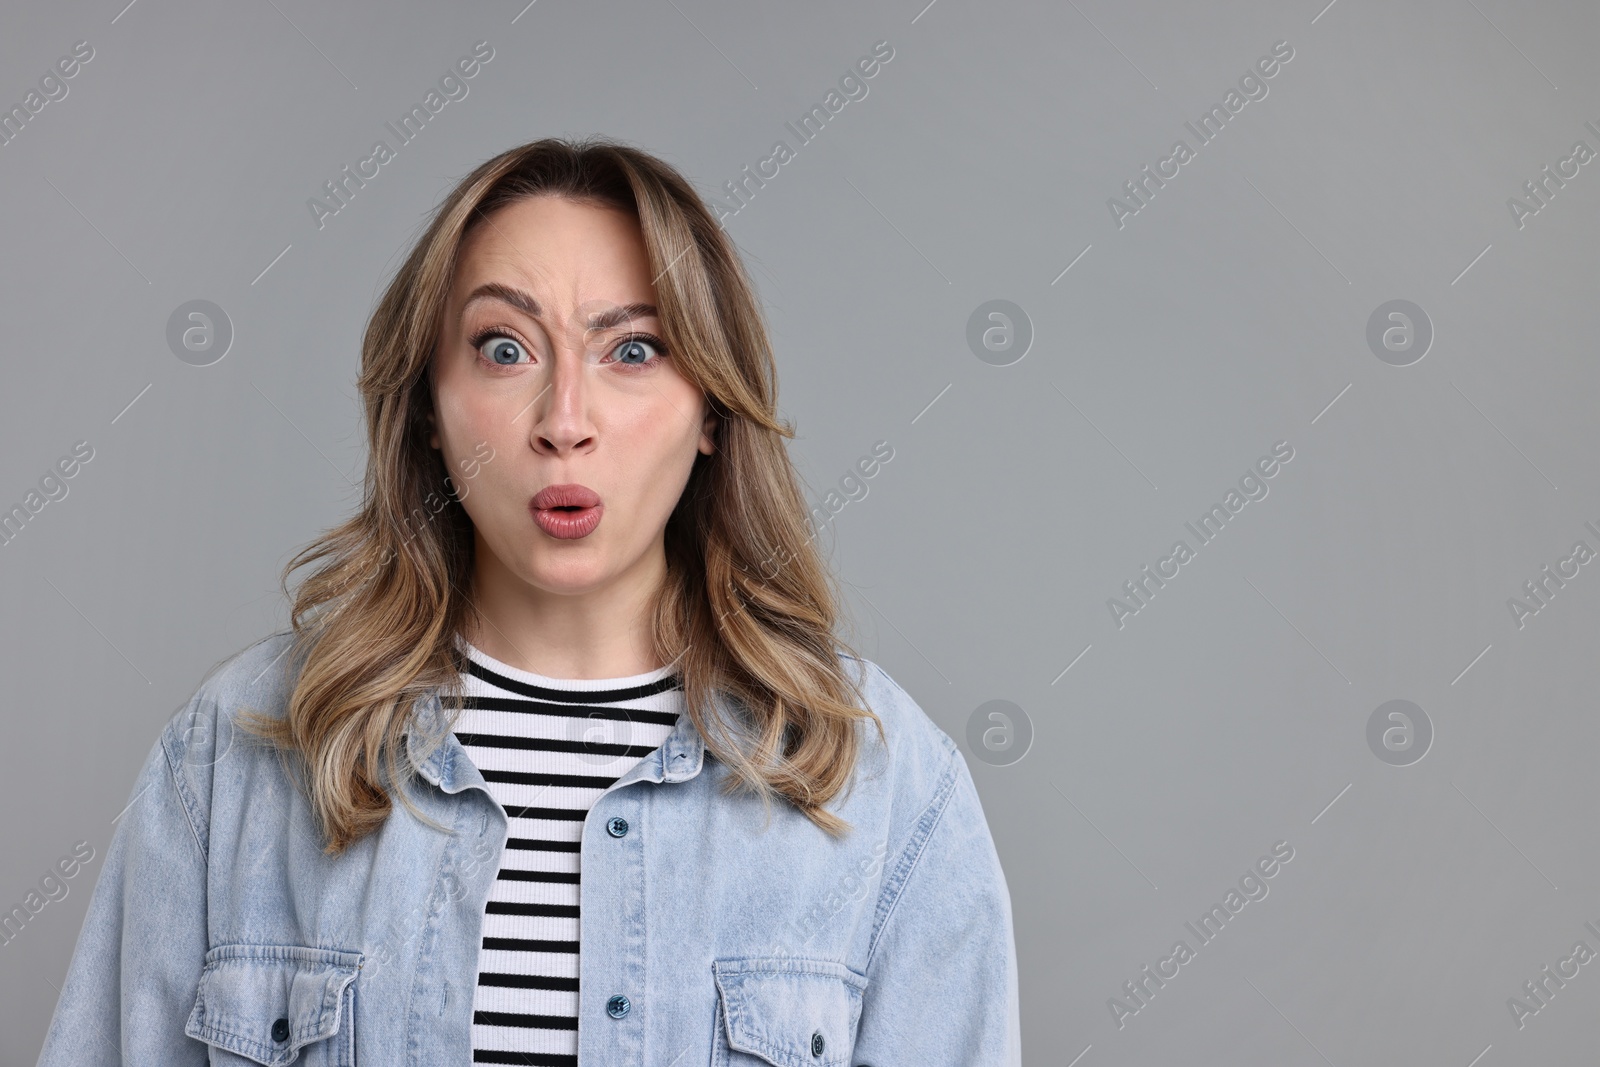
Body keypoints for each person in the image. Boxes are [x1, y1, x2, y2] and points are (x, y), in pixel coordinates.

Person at [35, 137, 1022, 1066]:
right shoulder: (234, 753)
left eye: (632, 350)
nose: (564, 422)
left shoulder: (885, 784)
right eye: (504, 348)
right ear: (426, 405)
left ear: (712, 409)